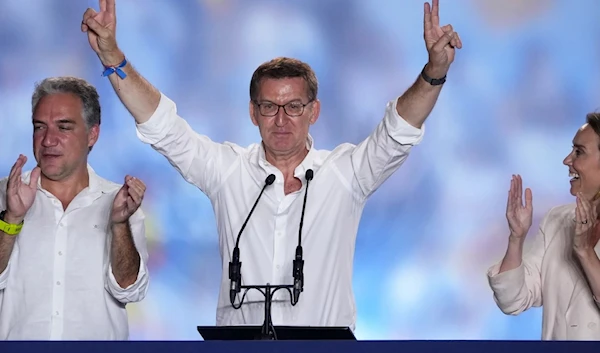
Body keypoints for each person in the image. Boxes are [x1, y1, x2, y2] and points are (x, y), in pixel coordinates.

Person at [81, 0, 461, 329]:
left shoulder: (345, 174)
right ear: (253, 113)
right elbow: (164, 128)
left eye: (294, 107)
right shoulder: (227, 171)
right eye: (269, 107)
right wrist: (114, 58)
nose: (281, 120)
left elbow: (398, 131)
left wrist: (434, 72)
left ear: (314, 112)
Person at [0, 77, 150, 340]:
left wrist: (118, 226)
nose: (48, 140)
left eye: (64, 127)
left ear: (92, 134)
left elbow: (130, 290)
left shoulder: (119, 203)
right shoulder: (5, 194)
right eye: (39, 127)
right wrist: (12, 219)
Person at [487, 113, 600, 340]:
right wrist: (516, 238)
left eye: (579, 152)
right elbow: (513, 300)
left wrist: (585, 253)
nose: (567, 160)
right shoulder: (557, 220)